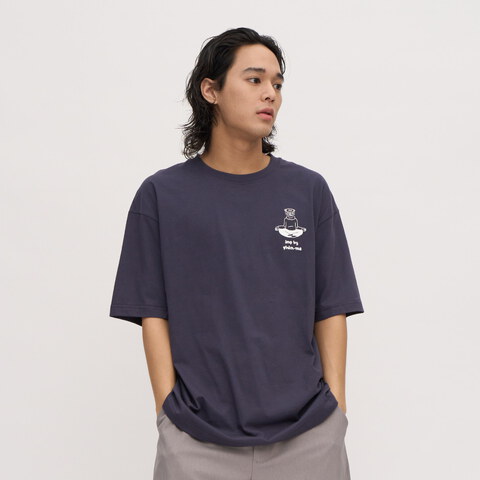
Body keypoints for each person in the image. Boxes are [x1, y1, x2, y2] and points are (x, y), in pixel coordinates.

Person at [109, 27, 364, 480]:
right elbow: (152, 313)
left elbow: (332, 307)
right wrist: (168, 413)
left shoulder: (308, 191)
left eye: (277, 83)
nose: (270, 94)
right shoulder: (161, 196)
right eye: (254, 79)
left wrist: (336, 411)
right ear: (211, 90)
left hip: (309, 436)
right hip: (196, 441)